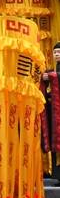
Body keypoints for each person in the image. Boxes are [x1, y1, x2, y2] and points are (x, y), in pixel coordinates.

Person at [41, 42, 60, 182]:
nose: (57, 55)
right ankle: (56, 174)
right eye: (55, 53)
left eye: (59, 52)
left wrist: (53, 77)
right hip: (54, 109)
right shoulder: (54, 68)